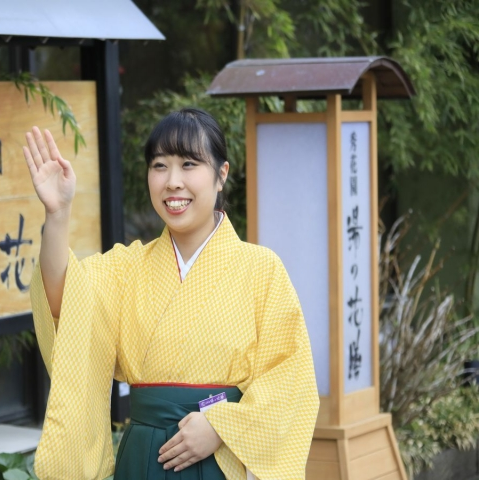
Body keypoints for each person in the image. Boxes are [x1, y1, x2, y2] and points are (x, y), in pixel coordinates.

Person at [23, 108, 319, 480]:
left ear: (221, 174)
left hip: (223, 457)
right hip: (144, 456)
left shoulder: (262, 269)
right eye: (160, 166)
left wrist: (222, 426)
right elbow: (65, 302)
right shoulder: (126, 268)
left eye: (189, 164)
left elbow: (290, 380)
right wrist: (58, 214)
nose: (173, 182)